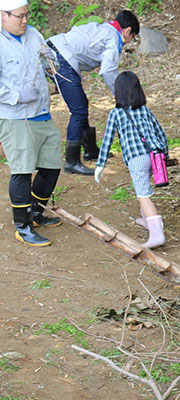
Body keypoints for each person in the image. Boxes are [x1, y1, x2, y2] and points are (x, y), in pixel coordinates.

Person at [0, 0, 64, 247]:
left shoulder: (34, 33)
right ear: (3, 16)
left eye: (27, 15)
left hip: (41, 112)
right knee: (22, 171)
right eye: (20, 16)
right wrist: (16, 96)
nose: (25, 20)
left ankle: (36, 213)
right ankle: (22, 225)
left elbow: (52, 68)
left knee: (51, 166)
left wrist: (51, 60)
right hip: (14, 116)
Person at [46, 10, 139, 175]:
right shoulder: (113, 39)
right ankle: (72, 162)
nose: (129, 42)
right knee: (79, 110)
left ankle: (90, 150)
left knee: (81, 105)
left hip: (52, 50)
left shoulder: (103, 28)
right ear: (127, 31)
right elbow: (108, 71)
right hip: (60, 59)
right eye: (133, 37)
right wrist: (120, 96)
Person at [94, 71, 169, 249]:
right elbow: (161, 133)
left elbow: (107, 141)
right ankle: (146, 220)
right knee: (143, 189)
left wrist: (100, 165)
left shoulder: (116, 113)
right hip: (155, 156)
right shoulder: (145, 110)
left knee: (143, 195)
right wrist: (165, 155)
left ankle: (157, 234)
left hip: (137, 159)